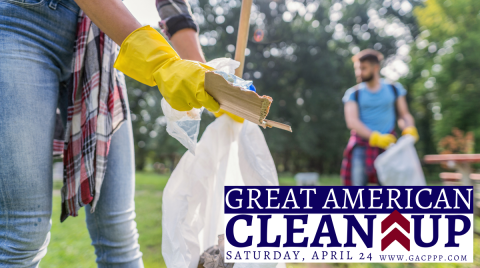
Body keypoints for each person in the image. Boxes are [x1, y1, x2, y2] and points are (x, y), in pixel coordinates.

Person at [0, 0, 218, 266]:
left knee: (119, 232)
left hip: (97, 39)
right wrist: (161, 62)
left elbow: (173, 5)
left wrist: (209, 79)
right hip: (20, 20)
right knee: (23, 234)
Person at [340, 49, 419, 186]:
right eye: (357, 69)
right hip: (361, 146)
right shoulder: (353, 93)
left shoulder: (394, 89)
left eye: (363, 68)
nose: (359, 72)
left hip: (388, 145)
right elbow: (352, 121)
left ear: (376, 68)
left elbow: (404, 115)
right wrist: (374, 137)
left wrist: (409, 128)